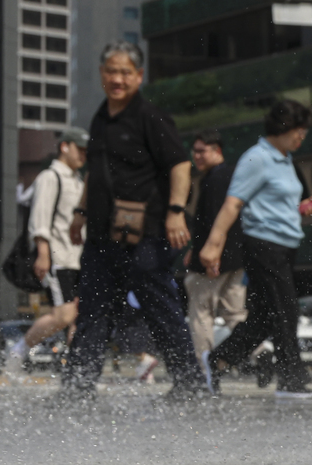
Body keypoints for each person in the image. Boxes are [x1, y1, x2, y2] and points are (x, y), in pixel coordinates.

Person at [65, 40, 200, 398]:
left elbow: (180, 164)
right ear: (101, 75)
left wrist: (175, 212)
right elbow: (95, 172)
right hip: (101, 234)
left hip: (147, 233)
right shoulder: (99, 117)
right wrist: (79, 213)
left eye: (125, 72)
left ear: (139, 76)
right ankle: (77, 388)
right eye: (111, 71)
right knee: (92, 310)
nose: (118, 78)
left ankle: (190, 385)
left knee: (162, 310)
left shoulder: (150, 116)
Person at [200, 100, 312, 400]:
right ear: (283, 128)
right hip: (263, 245)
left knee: (264, 318)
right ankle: (290, 381)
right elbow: (234, 203)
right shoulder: (256, 158)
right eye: (299, 130)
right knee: (286, 310)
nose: (301, 137)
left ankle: (217, 360)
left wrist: (300, 209)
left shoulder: (285, 159)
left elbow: (275, 202)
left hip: (285, 246)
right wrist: (213, 244)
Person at [7, 128, 88, 367]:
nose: (83, 154)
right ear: (65, 146)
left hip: (77, 259)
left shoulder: (78, 180)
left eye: (86, 150)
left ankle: (77, 368)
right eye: (79, 148)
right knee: (63, 315)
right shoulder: (50, 177)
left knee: (78, 317)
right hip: (58, 257)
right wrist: (43, 253)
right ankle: (18, 350)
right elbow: (39, 218)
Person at [183, 130, 247, 380]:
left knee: (200, 312)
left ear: (217, 151)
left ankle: (204, 368)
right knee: (235, 313)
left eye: (202, 150)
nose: (196, 156)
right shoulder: (231, 176)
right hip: (236, 258)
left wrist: (210, 254)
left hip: (215, 258)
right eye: (195, 150)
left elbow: (214, 220)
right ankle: (259, 352)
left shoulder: (215, 179)